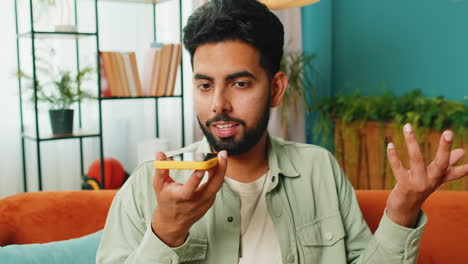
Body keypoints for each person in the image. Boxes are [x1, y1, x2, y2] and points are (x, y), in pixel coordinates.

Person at [96, 0, 468, 263]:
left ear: (275, 88)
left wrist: (403, 210)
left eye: (240, 84)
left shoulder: (319, 169)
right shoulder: (149, 186)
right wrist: (166, 231)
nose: (218, 105)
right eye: (205, 85)